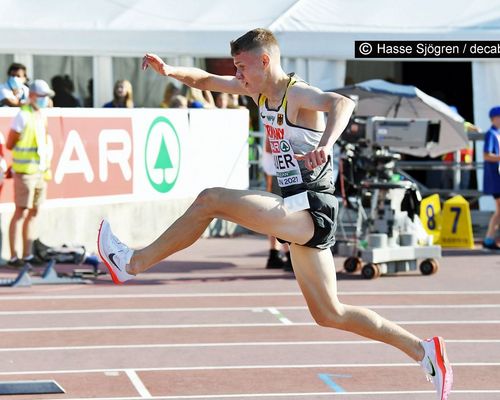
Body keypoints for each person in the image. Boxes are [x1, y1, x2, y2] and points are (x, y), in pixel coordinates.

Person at [98, 28, 452, 399]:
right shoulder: (256, 90)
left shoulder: (295, 93)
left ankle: (131, 263)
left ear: (265, 61)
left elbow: (341, 104)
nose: (237, 75)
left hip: (312, 208)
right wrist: (169, 70)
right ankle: (424, 351)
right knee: (330, 313)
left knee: (210, 200)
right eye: (235, 68)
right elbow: (205, 79)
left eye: (242, 66)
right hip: (296, 206)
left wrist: (326, 145)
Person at [6, 79, 53, 266]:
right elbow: (10, 143)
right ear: (32, 96)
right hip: (25, 172)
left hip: (40, 172)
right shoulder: (22, 116)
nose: (44, 100)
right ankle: (14, 256)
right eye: (41, 96)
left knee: (34, 212)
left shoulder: (41, 115)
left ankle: (27, 255)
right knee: (20, 212)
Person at [482, 106, 500, 250]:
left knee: (499, 211)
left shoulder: (497, 133)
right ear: (494, 118)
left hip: (497, 177)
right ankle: (489, 239)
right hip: (495, 178)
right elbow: (486, 155)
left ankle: (489, 239)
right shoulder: (491, 134)